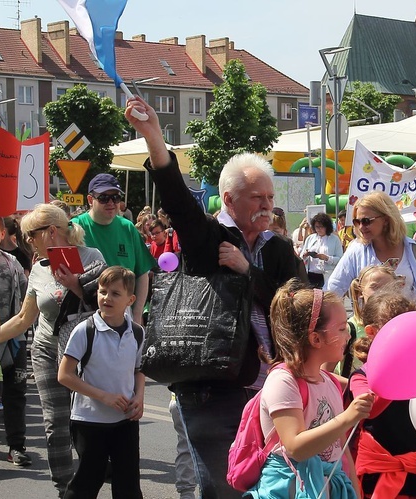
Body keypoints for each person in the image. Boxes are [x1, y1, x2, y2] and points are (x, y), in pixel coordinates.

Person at [125, 95, 307, 498]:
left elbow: (300, 309)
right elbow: (176, 200)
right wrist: (154, 136)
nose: (267, 206)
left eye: (270, 197)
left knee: (272, 489)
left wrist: (248, 272)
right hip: (214, 388)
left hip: (273, 388)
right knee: (223, 489)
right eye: (257, 197)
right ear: (229, 200)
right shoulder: (208, 238)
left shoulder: (278, 249)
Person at [0, 204, 106, 498]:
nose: (28, 242)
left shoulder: (92, 258)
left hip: (85, 354)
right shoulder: (38, 267)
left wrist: (74, 285)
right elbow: (23, 319)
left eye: (30, 235)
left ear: (51, 232)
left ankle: (86, 485)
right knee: (54, 424)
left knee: (87, 423)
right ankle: (65, 490)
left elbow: (107, 306)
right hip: (46, 351)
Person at [246, 279, 374, 498]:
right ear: (316, 338)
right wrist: (348, 417)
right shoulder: (283, 381)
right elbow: (296, 447)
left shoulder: (330, 382)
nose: (348, 335)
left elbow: (340, 448)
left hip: (329, 485)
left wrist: (355, 490)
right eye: (342, 328)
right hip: (290, 487)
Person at [350, 289, 416, 498]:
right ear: (371, 332)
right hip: (380, 475)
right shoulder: (361, 376)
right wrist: (397, 375)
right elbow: (369, 411)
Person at [57, 266, 145, 499]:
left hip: (125, 421)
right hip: (90, 421)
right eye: (102, 291)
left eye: (116, 293)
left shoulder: (136, 332)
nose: (107, 298)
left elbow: (139, 369)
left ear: (130, 299)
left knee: (128, 485)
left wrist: (139, 397)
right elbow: (64, 375)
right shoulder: (84, 330)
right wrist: (104, 396)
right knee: (87, 481)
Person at [326, 192, 416, 310]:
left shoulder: (414, 248)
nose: (361, 227)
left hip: (411, 324)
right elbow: (334, 288)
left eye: (366, 221)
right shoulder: (356, 250)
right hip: (372, 326)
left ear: (386, 219)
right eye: (357, 222)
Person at [72, 173, 156, 325]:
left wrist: (137, 315)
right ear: (91, 200)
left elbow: (142, 273)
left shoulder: (127, 227)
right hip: (86, 313)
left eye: (116, 197)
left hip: (123, 314)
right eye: (104, 198)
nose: (111, 202)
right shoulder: (75, 227)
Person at [0, 223, 31, 467]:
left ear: (1, 233)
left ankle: (16, 446)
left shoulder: (12, 263)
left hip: (12, 339)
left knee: (16, 393)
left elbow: (25, 298)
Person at [300, 213, 343, 289]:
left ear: (327, 227)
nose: (319, 229)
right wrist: (305, 255)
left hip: (327, 275)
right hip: (311, 275)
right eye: (317, 227)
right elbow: (301, 256)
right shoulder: (310, 238)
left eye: (322, 227)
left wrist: (327, 258)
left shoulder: (335, 239)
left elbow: (340, 259)